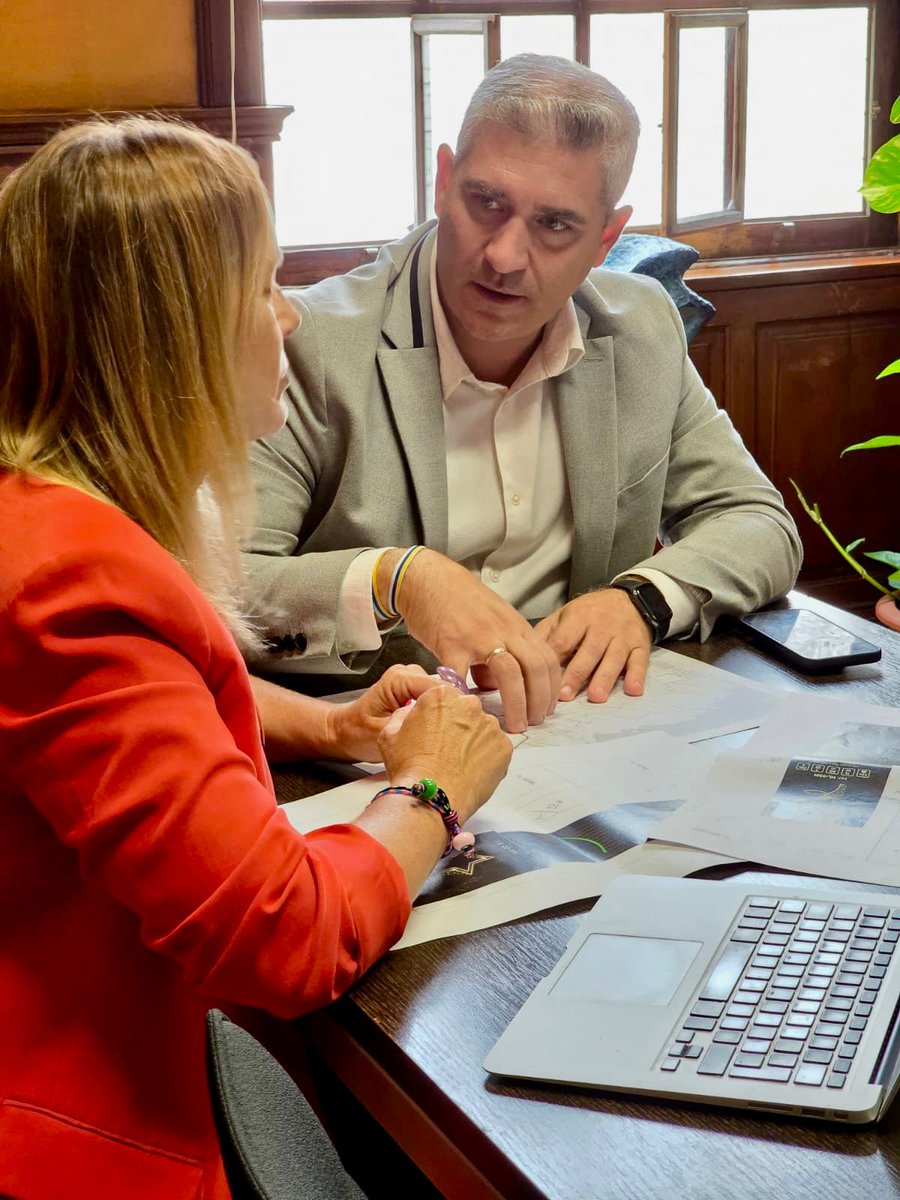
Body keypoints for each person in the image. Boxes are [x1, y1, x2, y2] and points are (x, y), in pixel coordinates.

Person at [0, 117, 511, 1199]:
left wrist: (322, 725)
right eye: (263, 287)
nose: (287, 318)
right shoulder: (71, 580)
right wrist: (433, 791)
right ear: (172, 334)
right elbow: (280, 942)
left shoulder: (44, 520)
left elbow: (93, 731)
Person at [245, 54, 802, 734]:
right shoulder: (310, 343)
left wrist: (643, 601)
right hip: (365, 747)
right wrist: (396, 578)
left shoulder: (641, 327)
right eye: (487, 203)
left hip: (579, 732)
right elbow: (221, 592)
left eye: (554, 225)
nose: (506, 256)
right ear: (443, 182)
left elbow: (756, 520)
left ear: (606, 237)